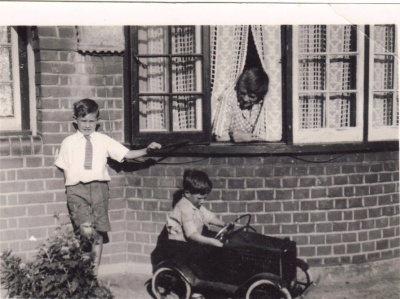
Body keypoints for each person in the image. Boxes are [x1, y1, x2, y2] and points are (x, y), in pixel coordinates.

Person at [55, 98, 161, 274]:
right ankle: (84, 269)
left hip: (99, 189)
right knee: (86, 231)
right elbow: (63, 168)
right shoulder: (68, 142)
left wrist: (147, 151)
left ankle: (93, 273)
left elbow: (126, 154)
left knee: (98, 233)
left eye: (91, 121)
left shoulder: (104, 140)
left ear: (98, 120)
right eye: (83, 121)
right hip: (76, 191)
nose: (87, 125)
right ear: (75, 120)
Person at [166, 169, 228, 247]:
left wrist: (224, 224)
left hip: (189, 243)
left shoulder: (195, 204)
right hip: (179, 246)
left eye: (204, 198)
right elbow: (191, 234)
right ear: (187, 193)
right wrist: (212, 241)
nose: (202, 202)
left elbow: (209, 217)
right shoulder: (184, 208)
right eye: (199, 198)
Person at [215, 67, 269, 143]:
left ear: (259, 96)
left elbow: (273, 135)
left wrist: (248, 137)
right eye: (242, 93)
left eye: (252, 96)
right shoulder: (231, 97)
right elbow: (220, 136)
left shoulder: (265, 103)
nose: (245, 99)